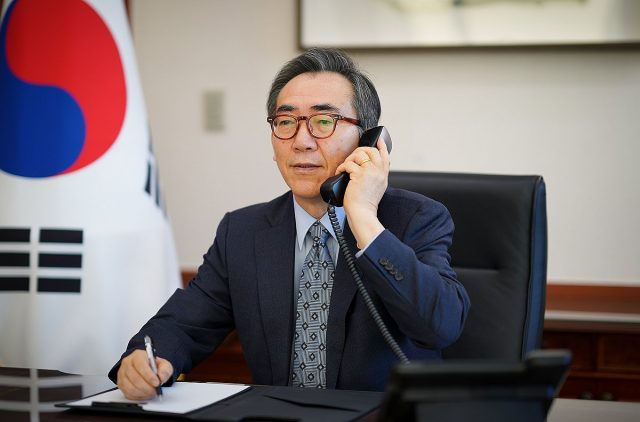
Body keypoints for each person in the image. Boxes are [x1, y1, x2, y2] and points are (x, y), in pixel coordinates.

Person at [109, 48, 470, 399]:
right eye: (286, 122)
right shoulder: (243, 232)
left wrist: (364, 219)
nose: (301, 142)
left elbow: (441, 325)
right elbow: (185, 323)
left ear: (368, 142)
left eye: (324, 122)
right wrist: (147, 358)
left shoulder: (416, 219)